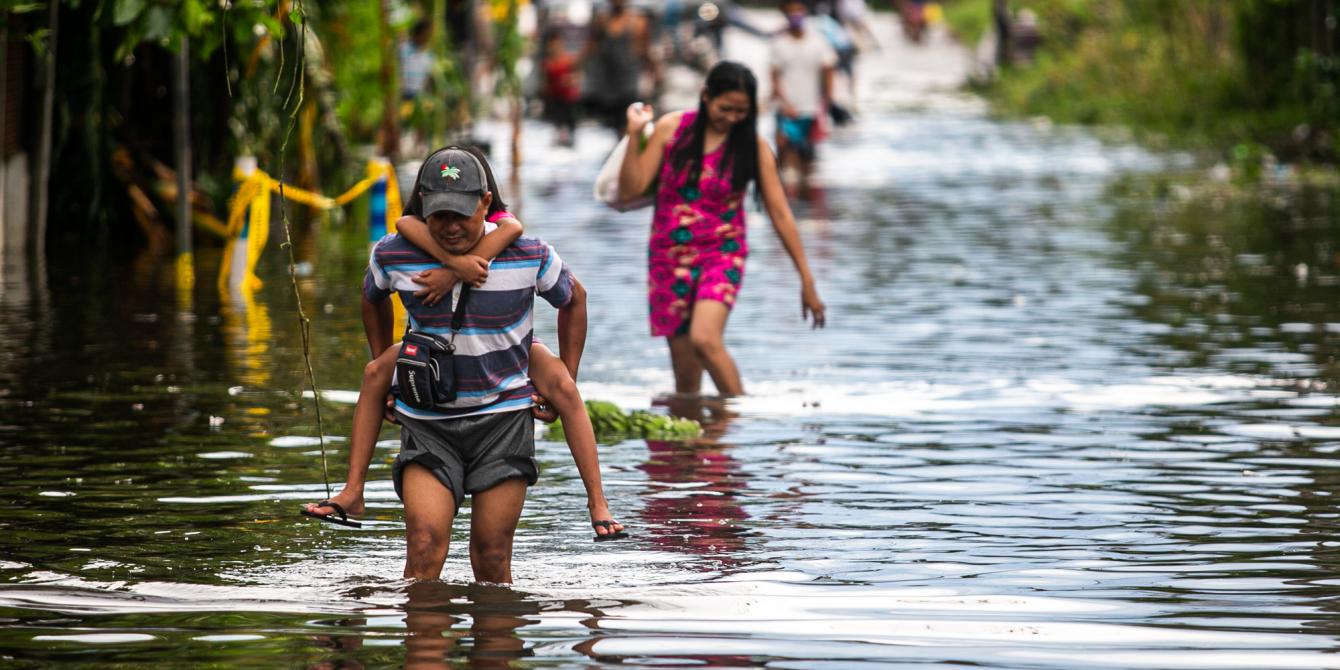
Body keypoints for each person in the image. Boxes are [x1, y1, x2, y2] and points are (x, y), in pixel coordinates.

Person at [307, 147, 624, 581]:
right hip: (428, 421)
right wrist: (386, 358)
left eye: (462, 215)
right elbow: (371, 296)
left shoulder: (528, 253)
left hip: (503, 421)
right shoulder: (395, 254)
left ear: (486, 203)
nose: (452, 227)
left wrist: (567, 371)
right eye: (440, 216)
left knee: (492, 559)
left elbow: (575, 298)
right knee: (423, 549)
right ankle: (356, 497)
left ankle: (597, 504)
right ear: (423, 209)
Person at [617, 61, 827, 398]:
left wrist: (806, 279)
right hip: (668, 258)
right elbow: (630, 190)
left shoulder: (753, 147)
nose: (732, 117)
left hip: (722, 254)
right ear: (705, 97)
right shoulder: (672, 130)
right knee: (686, 383)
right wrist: (633, 134)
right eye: (724, 108)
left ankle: (738, 421)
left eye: (741, 111)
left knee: (705, 339)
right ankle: (695, 447)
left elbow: (780, 214)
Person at [769, 0, 837, 197]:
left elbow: (829, 71)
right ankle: (786, 198)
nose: (795, 15)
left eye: (798, 11)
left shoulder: (818, 41)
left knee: (808, 156)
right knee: (785, 150)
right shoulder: (778, 43)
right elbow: (774, 77)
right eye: (791, 11)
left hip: (812, 108)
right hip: (787, 108)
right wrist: (784, 103)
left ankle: (805, 197)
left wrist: (827, 102)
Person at [584, 0, 657, 137]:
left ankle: (627, 151)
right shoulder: (601, 20)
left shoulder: (638, 21)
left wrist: (653, 72)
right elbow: (591, 48)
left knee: (627, 123)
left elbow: (645, 50)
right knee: (613, 125)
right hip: (607, 84)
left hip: (628, 82)